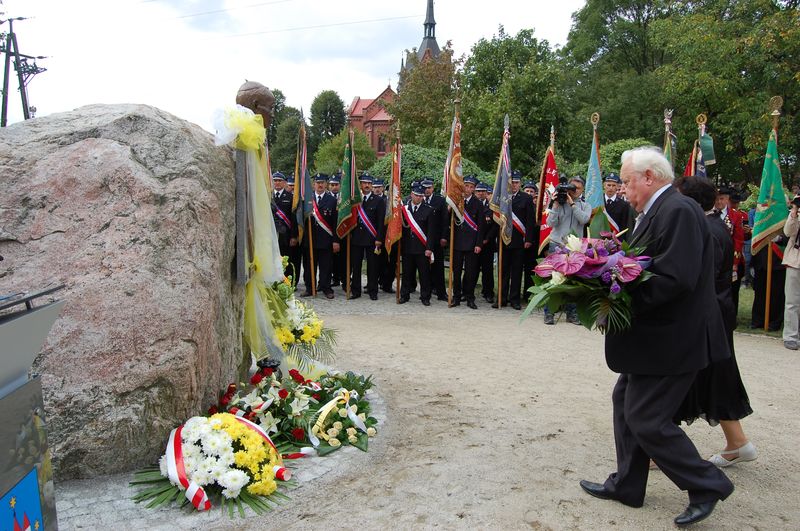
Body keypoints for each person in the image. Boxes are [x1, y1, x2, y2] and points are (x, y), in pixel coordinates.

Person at [579, 147, 734, 528]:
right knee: (625, 401)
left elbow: (674, 278)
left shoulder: (678, 210)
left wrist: (614, 292)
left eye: (628, 181)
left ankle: (707, 483)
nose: (625, 189)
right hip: (653, 339)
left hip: (672, 338)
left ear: (649, 177)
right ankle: (628, 485)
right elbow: (642, 263)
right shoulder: (656, 212)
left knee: (646, 418)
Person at [672, 175, 756, 468]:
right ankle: (737, 442)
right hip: (716, 312)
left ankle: (662, 445)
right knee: (715, 377)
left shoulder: (704, 229)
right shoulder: (714, 226)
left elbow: (696, 278)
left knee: (679, 376)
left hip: (707, 316)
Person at [543, 176, 591, 324]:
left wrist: (572, 205)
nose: (572, 191)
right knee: (553, 279)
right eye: (571, 187)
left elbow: (584, 220)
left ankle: (572, 314)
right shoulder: (559, 202)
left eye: (576, 188)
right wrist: (556, 205)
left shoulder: (585, 205)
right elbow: (550, 223)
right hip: (557, 244)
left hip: (575, 247)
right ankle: (549, 312)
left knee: (573, 282)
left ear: (582, 190)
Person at [494, 171, 535, 310]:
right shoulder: (501, 198)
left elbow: (530, 221)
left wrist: (528, 239)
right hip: (503, 240)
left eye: (516, 182)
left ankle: (514, 299)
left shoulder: (526, 198)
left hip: (519, 241)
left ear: (520, 184)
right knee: (503, 270)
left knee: (517, 271)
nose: (514, 185)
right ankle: (501, 297)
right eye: (512, 182)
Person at [445, 175, 484, 309]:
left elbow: (481, 226)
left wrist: (479, 244)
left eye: (471, 187)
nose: (468, 189)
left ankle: (470, 297)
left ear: (474, 189)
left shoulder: (478, 203)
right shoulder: (456, 201)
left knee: (470, 273)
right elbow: (446, 221)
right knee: (456, 271)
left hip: (472, 244)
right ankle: (456, 297)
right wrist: (449, 209)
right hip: (457, 243)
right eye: (466, 186)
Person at [349, 173, 385, 300]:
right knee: (356, 266)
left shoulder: (379, 200)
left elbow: (381, 222)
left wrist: (379, 239)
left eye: (369, 183)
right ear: (360, 184)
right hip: (356, 238)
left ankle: (372, 291)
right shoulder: (354, 200)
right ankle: (356, 291)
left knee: (373, 267)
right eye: (365, 183)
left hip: (372, 239)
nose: (367, 185)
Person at [302, 174, 338, 299]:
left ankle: (326, 288)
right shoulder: (307, 199)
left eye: (322, 182)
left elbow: (335, 222)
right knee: (309, 265)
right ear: (313, 184)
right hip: (310, 240)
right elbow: (301, 220)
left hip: (326, 240)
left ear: (326, 184)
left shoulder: (332, 200)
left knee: (326, 266)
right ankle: (309, 288)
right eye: (318, 182)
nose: (320, 185)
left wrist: (335, 241)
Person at [399, 184, 435, 305]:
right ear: (411, 194)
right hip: (407, 247)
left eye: (421, 196)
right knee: (407, 274)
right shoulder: (404, 209)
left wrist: (429, 248)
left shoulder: (429, 210)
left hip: (422, 248)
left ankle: (425, 297)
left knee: (424, 274)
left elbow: (431, 232)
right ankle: (404, 295)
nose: (418, 198)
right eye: (416, 195)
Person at [422, 178, 448, 301]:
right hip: (422, 239)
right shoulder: (417, 199)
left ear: (433, 188)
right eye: (425, 187)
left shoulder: (440, 201)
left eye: (429, 187)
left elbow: (445, 220)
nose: (427, 190)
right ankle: (425, 290)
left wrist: (444, 237)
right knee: (423, 266)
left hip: (437, 239)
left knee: (438, 267)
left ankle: (441, 292)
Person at [782, 196, 800, 350]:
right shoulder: (795, 214)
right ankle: (790, 336)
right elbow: (788, 232)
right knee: (792, 301)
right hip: (795, 259)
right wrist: (794, 211)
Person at [477, 182, 498, 304]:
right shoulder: (471, 204)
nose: (481, 193)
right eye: (478, 191)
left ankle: (488, 292)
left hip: (487, 244)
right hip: (474, 243)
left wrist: (487, 238)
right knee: (472, 269)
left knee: (487, 270)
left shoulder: (492, 207)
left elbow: (495, 226)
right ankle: (467, 292)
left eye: (483, 191)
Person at [521, 182, 541, 303]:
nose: (529, 194)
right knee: (525, 270)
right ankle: (525, 294)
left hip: (538, 244)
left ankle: (534, 294)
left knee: (536, 270)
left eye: (532, 192)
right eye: (527, 191)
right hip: (524, 243)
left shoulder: (542, 209)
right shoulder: (522, 206)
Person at [603, 173, 635, 238]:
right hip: (598, 240)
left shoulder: (624, 205)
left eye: (613, 185)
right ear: (604, 186)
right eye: (608, 185)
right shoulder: (598, 202)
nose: (611, 188)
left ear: (617, 187)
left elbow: (625, 226)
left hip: (616, 240)